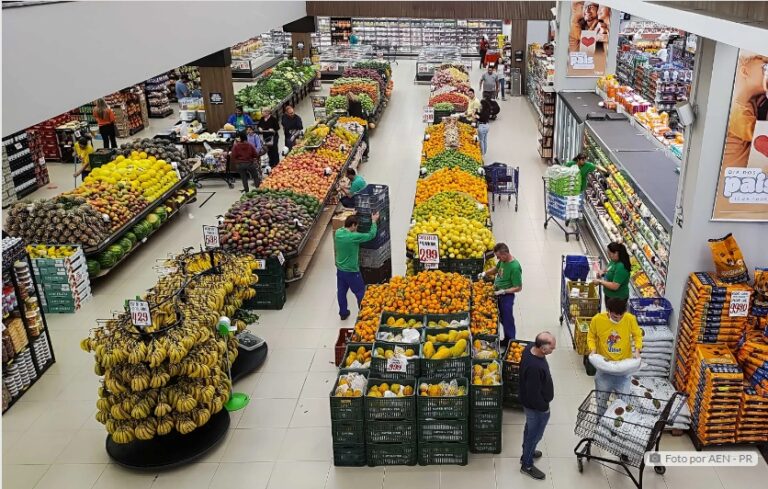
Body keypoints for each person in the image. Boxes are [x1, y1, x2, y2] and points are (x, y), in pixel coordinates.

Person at [588, 297, 643, 410]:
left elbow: (637, 335)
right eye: (615, 316)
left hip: (623, 371)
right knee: (601, 401)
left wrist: (637, 350)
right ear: (608, 311)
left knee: (624, 404)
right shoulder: (597, 320)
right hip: (604, 369)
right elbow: (591, 336)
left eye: (620, 316)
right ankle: (600, 421)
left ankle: (620, 425)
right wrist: (592, 349)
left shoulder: (630, 319)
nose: (618, 319)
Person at [519, 331, 556, 480]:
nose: (553, 350)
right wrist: (544, 408)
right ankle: (526, 464)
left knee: (529, 428)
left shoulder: (529, 348)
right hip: (536, 407)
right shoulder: (535, 367)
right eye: (552, 348)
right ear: (543, 348)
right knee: (535, 434)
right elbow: (533, 394)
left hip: (528, 402)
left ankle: (527, 452)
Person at [334, 212, 379, 320]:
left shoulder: (338, 233)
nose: (357, 228)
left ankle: (343, 313)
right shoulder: (353, 237)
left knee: (341, 292)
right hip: (352, 271)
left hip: (340, 270)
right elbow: (371, 235)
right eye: (356, 226)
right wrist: (373, 221)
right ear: (353, 225)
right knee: (360, 292)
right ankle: (364, 314)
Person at [479, 243, 522, 345]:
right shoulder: (503, 261)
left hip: (506, 296)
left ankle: (511, 342)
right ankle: (506, 339)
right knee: (501, 317)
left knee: (507, 319)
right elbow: (496, 269)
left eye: (498, 256)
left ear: (505, 254)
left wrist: (504, 291)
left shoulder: (515, 267)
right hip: (497, 293)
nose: (497, 258)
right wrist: (485, 273)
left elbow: (518, 287)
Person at [346, 93, 370, 160]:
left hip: (358, 122)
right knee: (365, 136)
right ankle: (366, 153)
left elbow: (352, 114)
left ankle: (364, 154)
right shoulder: (358, 100)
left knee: (362, 138)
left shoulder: (351, 103)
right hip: (362, 120)